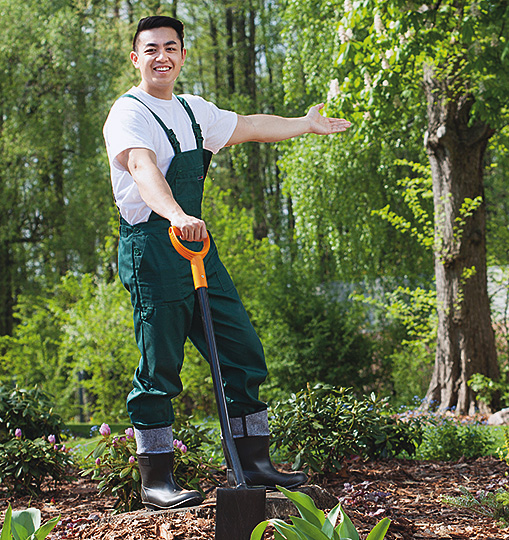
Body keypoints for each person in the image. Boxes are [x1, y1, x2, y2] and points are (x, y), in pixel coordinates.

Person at [103, 15, 351, 510]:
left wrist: (305, 124)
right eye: (150, 49)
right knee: (160, 364)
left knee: (241, 348)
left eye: (170, 48)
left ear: (183, 56)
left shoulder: (194, 111)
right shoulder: (127, 114)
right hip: (153, 247)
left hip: (197, 247)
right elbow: (141, 167)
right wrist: (177, 215)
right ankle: (156, 478)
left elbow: (252, 126)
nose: (161, 57)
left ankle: (254, 463)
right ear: (136, 58)